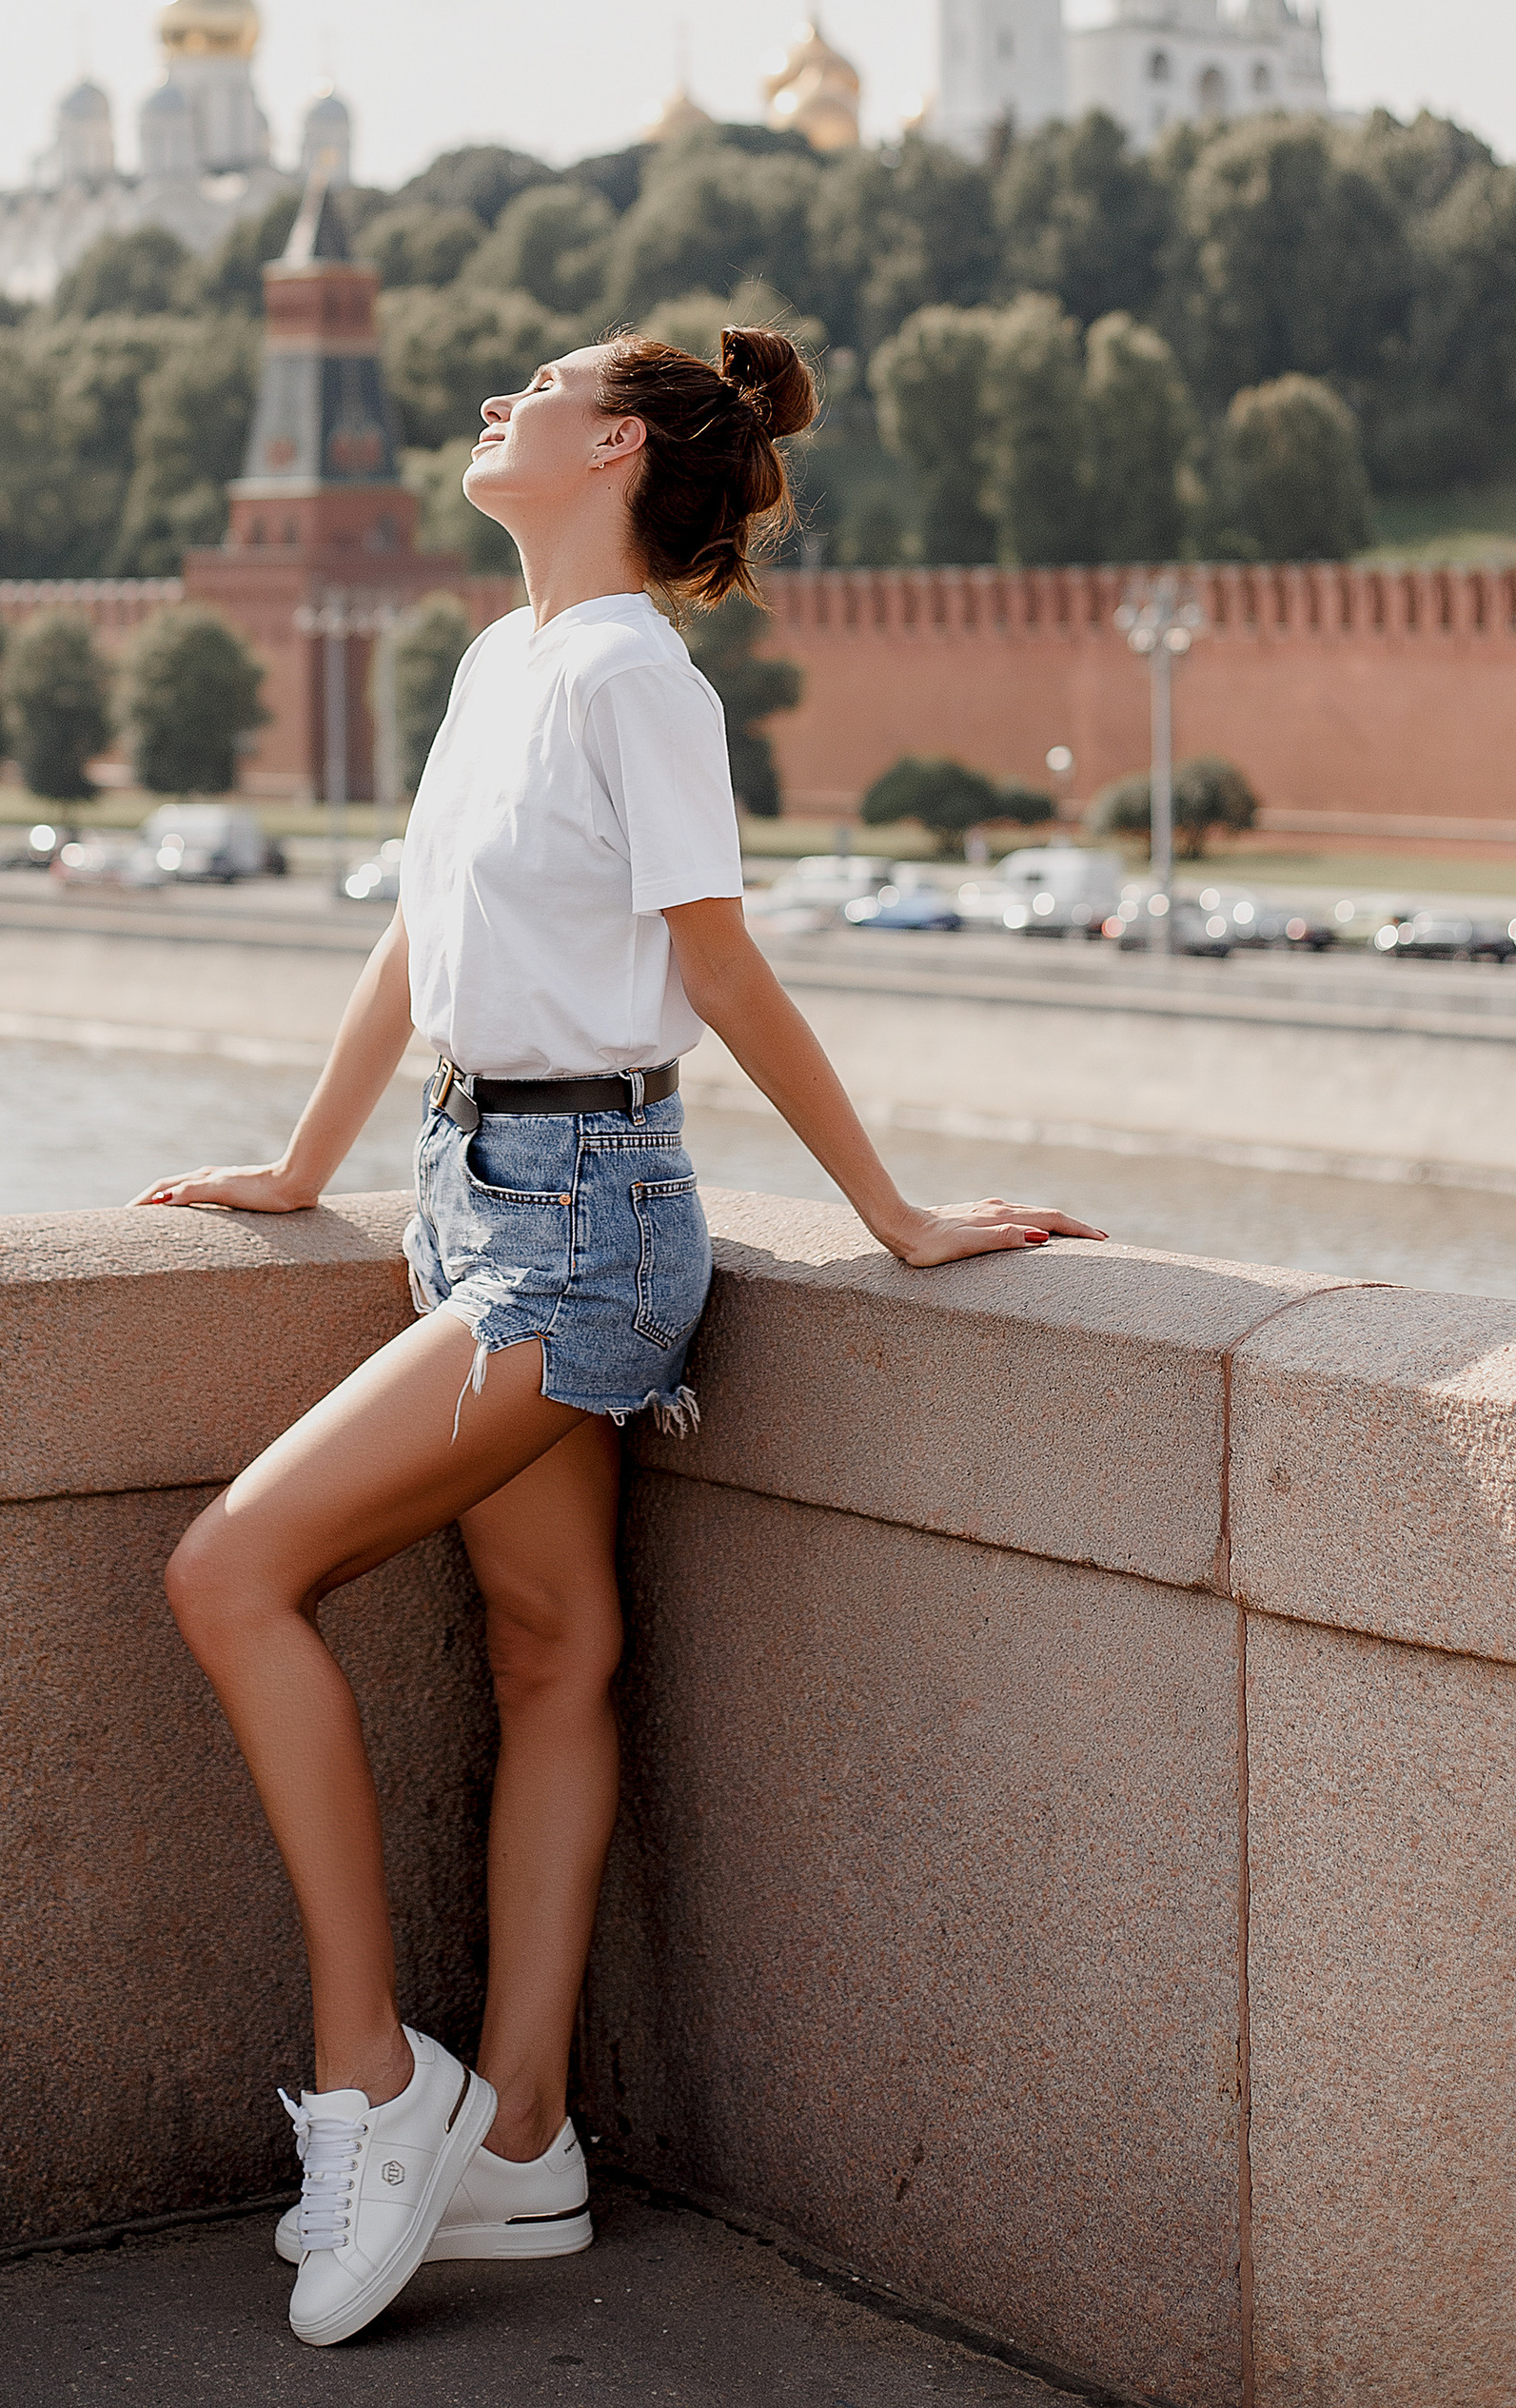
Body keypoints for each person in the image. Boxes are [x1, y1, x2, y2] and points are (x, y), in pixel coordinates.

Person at [140, 325, 1102, 2348]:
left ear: (618, 450)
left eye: (534, 391)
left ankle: (378, 2086)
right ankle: (522, 2149)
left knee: (229, 1571)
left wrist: (893, 1214)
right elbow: (419, 932)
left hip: (585, 1228)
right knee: (553, 1652)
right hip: (464, 1190)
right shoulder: (502, 660)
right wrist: (297, 1161)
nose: (493, 405)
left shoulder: (636, 675)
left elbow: (713, 958)